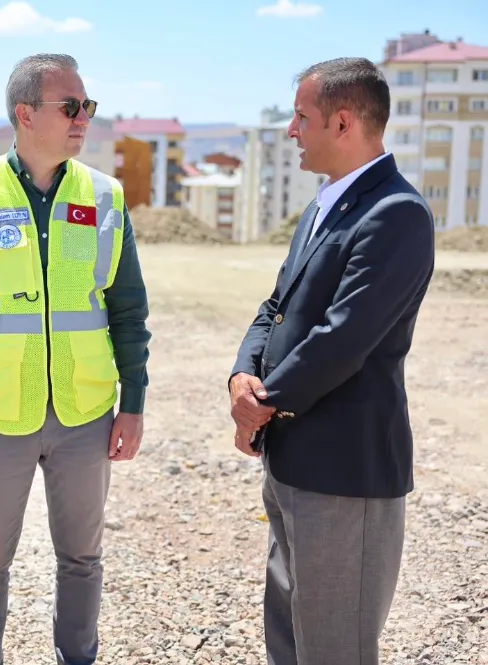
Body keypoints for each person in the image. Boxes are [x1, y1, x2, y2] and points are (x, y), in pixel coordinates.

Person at [0, 53, 151, 665]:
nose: (83, 119)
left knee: (82, 558)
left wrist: (133, 405)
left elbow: (129, 310)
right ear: (26, 114)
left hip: (85, 411)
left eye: (87, 107)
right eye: (69, 107)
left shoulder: (105, 196)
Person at [228, 57, 435, 665]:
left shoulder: (395, 213)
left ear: (343, 122)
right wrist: (243, 375)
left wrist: (258, 407)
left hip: (346, 472)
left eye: (301, 117)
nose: (292, 130)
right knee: (290, 639)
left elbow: (342, 336)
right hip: (294, 459)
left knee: (335, 647)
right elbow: (278, 306)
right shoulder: (327, 204)